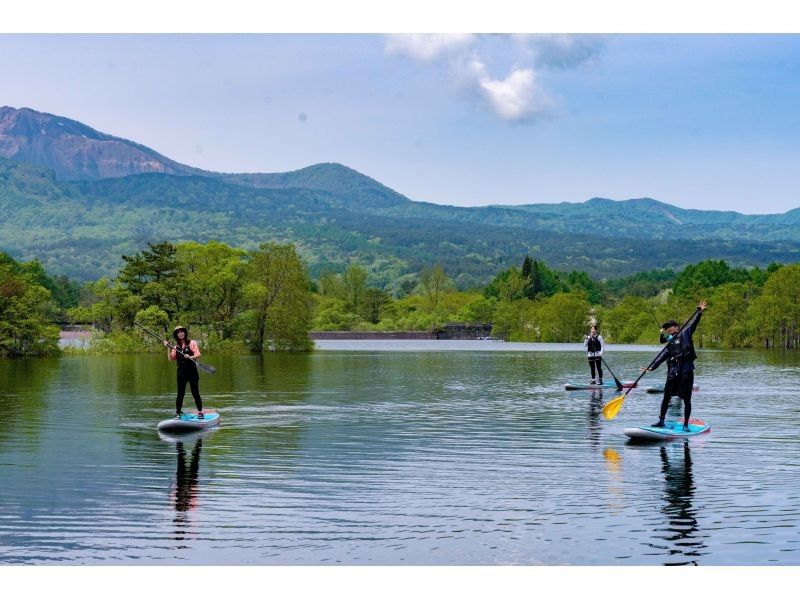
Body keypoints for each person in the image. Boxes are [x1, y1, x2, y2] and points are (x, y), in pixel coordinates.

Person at [643, 300, 707, 430]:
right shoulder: (670, 342)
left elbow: (693, 323)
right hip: (673, 371)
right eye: (666, 328)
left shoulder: (685, 333)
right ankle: (661, 421)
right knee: (666, 396)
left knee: (686, 398)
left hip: (686, 370)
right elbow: (662, 356)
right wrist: (651, 367)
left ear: (677, 327)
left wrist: (699, 312)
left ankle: (685, 424)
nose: (668, 329)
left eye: (670, 326)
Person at [164, 325, 204, 419]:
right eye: (178, 332)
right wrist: (168, 348)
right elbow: (170, 359)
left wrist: (190, 357)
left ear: (184, 333)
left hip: (192, 371)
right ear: (176, 335)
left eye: (182, 331)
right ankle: (178, 412)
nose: (180, 333)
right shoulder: (175, 347)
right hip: (181, 373)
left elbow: (198, 354)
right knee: (180, 393)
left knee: (195, 392)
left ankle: (200, 412)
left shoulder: (191, 343)